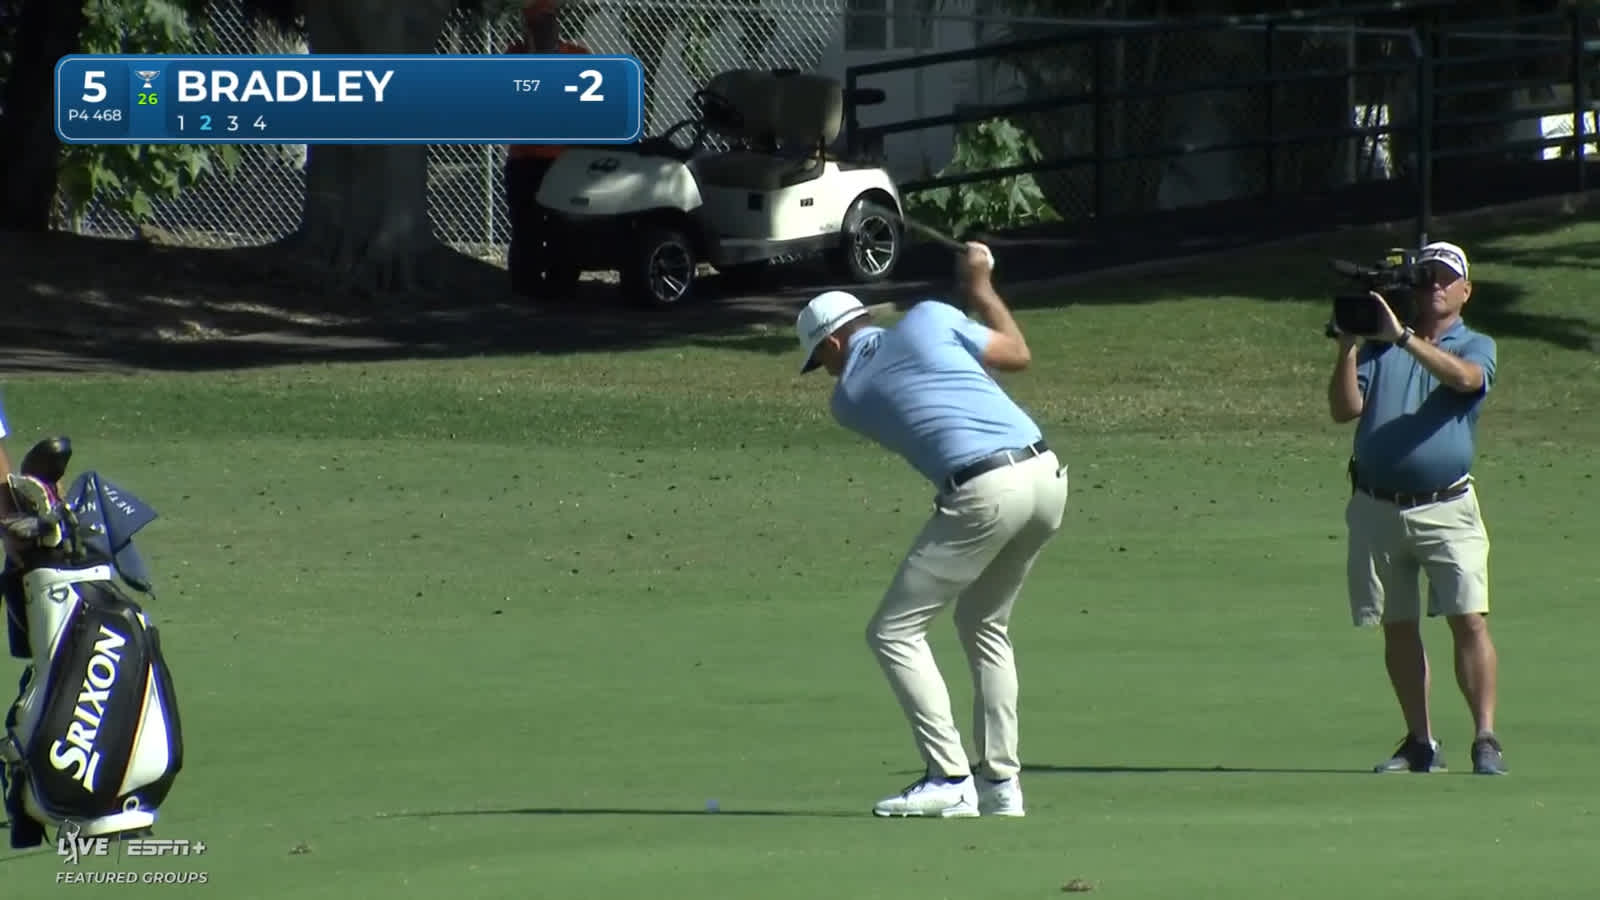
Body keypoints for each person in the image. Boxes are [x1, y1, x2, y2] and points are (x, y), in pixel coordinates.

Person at [794, 242, 1069, 817]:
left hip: (985, 491)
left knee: (894, 632)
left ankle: (948, 776)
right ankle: (1000, 787)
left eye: (822, 358)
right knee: (982, 622)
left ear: (834, 342)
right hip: (1046, 477)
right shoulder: (932, 317)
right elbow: (1016, 352)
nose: (827, 370)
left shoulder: (848, 398)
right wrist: (979, 287)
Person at [1327, 240, 1507, 776]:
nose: (1434, 284)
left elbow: (1466, 381)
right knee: (1397, 624)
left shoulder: (1476, 345)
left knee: (1468, 618)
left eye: (1445, 277)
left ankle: (1485, 737)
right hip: (1377, 506)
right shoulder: (1379, 351)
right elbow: (1344, 410)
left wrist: (1402, 337)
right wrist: (1347, 348)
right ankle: (1421, 743)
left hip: (1447, 507)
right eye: (1426, 275)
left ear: (1465, 291)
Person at [503, 0, 589, 300]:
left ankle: (562, 286)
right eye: (537, 24)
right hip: (525, 160)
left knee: (564, 226)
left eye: (549, 21)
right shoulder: (514, 57)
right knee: (526, 228)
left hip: (563, 160)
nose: (545, 29)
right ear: (527, 27)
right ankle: (525, 289)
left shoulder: (576, 56)